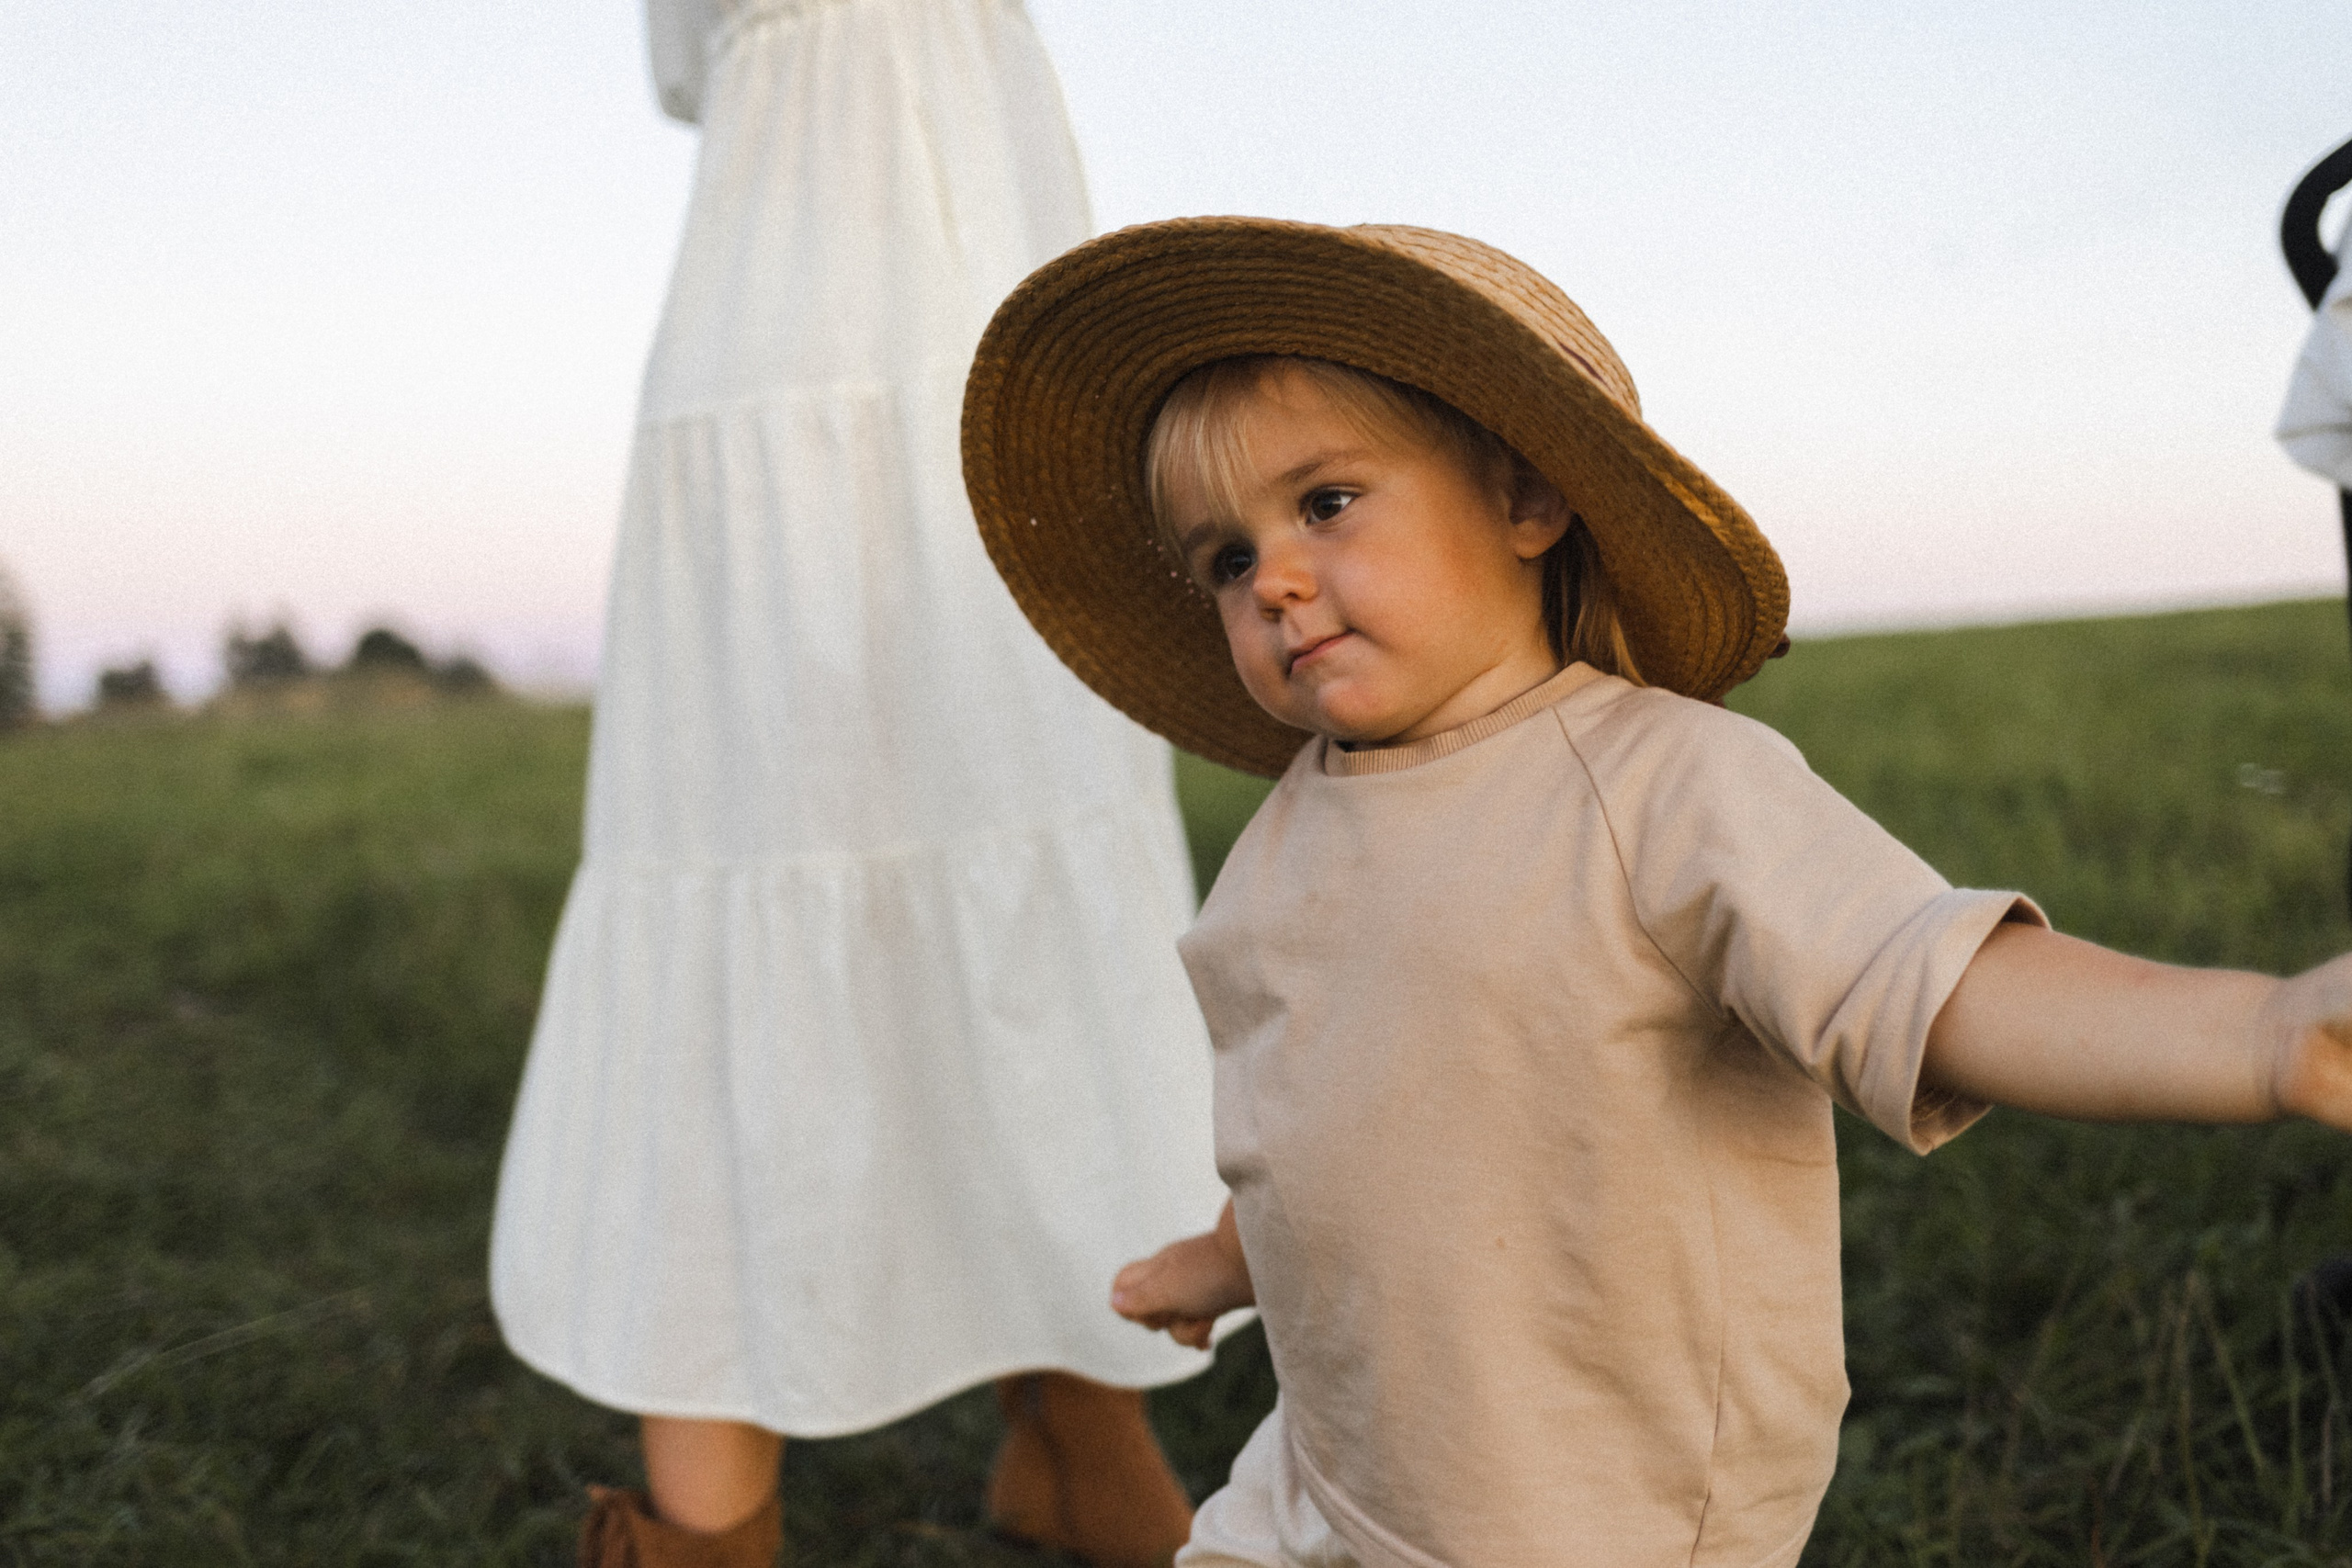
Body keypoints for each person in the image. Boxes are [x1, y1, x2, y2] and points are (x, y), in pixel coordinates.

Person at [958, 218, 2352, 1567]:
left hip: (1585, 1492)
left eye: (1325, 503)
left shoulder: (1660, 786)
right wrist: (1226, 1259)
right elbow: (1320, 1126)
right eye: (1225, 557)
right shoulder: (1285, 843)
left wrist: (2259, 1032)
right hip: (1328, 1469)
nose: (1274, 579)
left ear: (1523, 498)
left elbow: (1927, 979)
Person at [490, 6, 1228, 1565]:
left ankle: (1085, 1439)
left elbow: (676, 68)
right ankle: (715, 1527)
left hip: (989, 244)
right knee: (749, 826)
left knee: (1026, 768)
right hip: (801, 279)